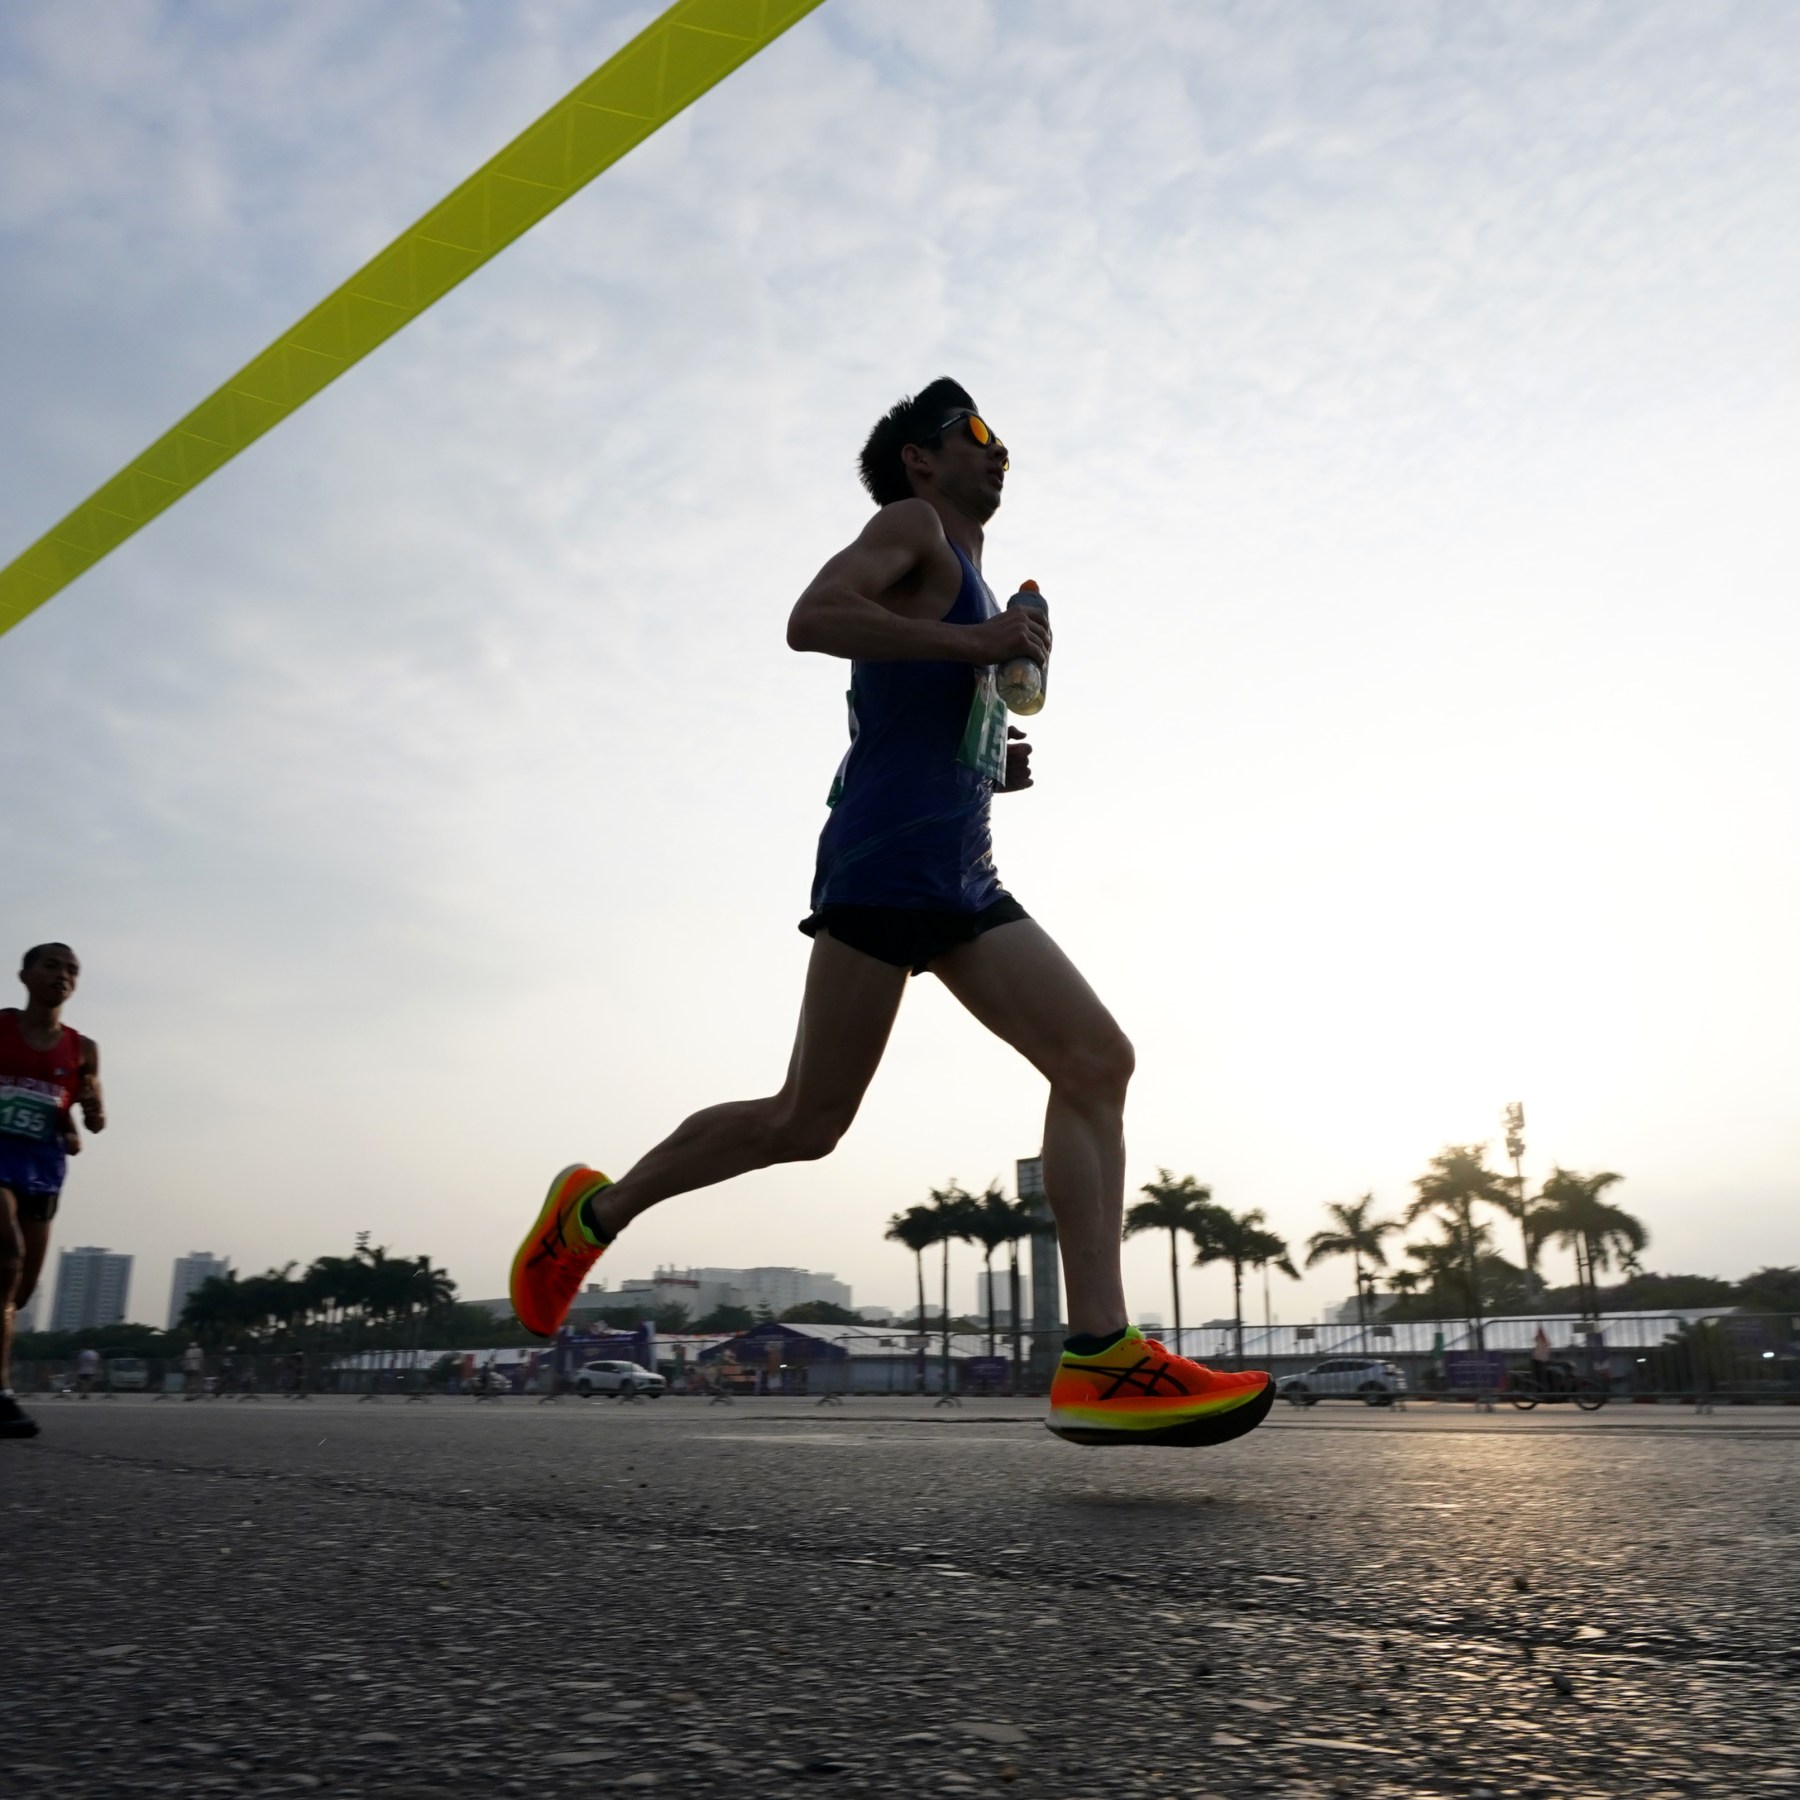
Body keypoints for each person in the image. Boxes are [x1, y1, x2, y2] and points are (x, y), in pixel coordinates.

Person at [510, 379, 1272, 1448]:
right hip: (884, 860)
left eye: (1002, 437)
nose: (999, 450)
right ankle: (592, 1215)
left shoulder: (974, 578)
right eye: (976, 434)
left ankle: (1102, 1356)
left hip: (962, 871)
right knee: (805, 1123)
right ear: (920, 458)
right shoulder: (910, 526)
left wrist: (987, 754)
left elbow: (912, 700)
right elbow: (811, 620)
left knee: (1096, 1060)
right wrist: (980, 644)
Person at [0, 943, 105, 1441]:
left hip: (42, 1167)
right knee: (7, 1256)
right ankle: (0, 1392)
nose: (63, 975)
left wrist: (88, 1111)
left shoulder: (82, 1049)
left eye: (72, 970)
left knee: (17, 1292)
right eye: (51, 965)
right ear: (24, 975)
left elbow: (94, 1119)